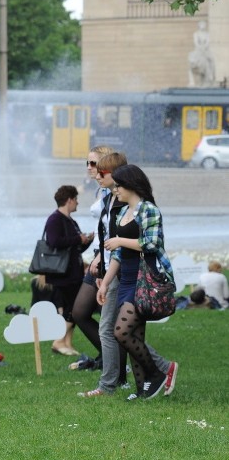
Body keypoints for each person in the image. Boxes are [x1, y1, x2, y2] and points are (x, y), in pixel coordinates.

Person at [81, 153, 175, 398]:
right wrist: (105, 283)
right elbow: (120, 254)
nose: (116, 190)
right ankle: (142, 388)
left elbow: (153, 244)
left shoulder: (148, 210)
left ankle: (158, 372)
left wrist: (120, 240)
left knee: (120, 332)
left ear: (130, 185)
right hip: (126, 278)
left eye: (119, 185)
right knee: (134, 333)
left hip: (145, 278)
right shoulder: (125, 213)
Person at [69, 145, 115, 370]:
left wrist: (100, 256)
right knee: (79, 312)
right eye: (87, 163)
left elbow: (112, 228)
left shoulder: (114, 189)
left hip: (107, 258)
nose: (89, 167)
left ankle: (115, 363)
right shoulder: (101, 189)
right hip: (99, 256)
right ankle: (108, 357)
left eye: (93, 163)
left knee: (109, 319)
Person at [43, 185, 94, 357]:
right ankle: (58, 341)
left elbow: (75, 248)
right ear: (69, 200)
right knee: (75, 308)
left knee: (70, 309)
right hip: (62, 274)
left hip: (73, 272)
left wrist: (86, 241)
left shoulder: (71, 221)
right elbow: (54, 241)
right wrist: (77, 238)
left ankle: (67, 343)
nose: (77, 203)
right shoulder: (54, 220)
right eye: (76, 199)